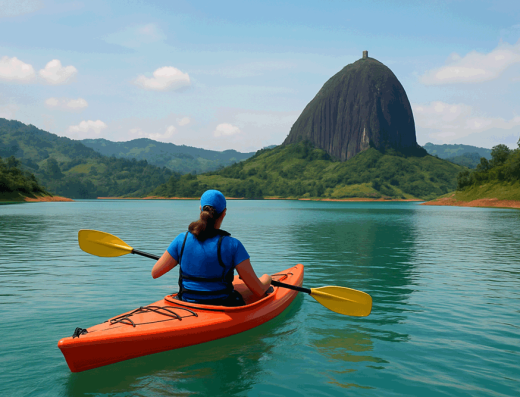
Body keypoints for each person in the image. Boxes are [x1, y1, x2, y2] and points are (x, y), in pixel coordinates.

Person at [151, 190, 272, 306]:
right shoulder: (233, 245)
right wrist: (268, 278)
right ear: (224, 213)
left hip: (186, 301)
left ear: (200, 209)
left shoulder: (181, 239)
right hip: (222, 303)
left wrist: (183, 260)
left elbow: (155, 273)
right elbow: (259, 290)